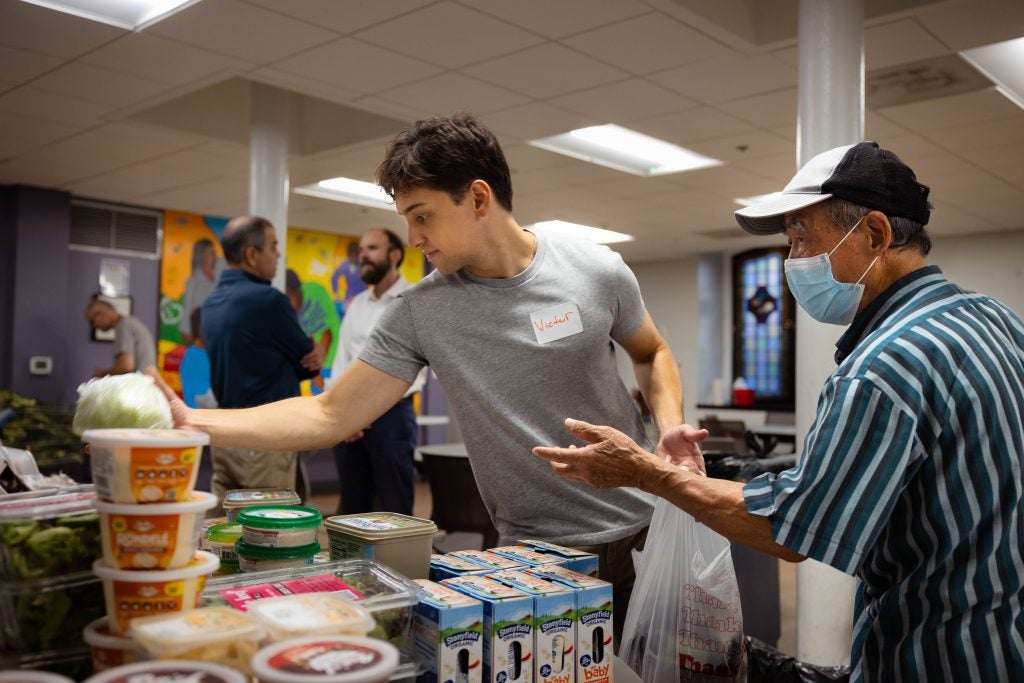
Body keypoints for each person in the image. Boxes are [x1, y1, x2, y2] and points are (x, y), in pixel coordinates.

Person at [150, 115, 704, 642]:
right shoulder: (420, 312)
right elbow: (329, 413)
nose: (412, 237)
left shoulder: (596, 268)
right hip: (534, 560)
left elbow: (652, 351)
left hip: (645, 530)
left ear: (479, 198)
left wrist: (670, 426)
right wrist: (192, 419)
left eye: (422, 215)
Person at [533, 141, 1024, 680]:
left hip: (939, 655)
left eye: (801, 239)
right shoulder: (994, 318)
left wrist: (645, 473)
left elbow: (788, 529)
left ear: (876, 235)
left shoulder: (884, 366)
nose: (793, 263)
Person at [200, 215, 324, 511]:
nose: (278, 254)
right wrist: (313, 353)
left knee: (225, 525)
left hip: (225, 433)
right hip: (265, 436)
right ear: (251, 255)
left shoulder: (210, 303)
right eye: (273, 247)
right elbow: (309, 363)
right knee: (268, 530)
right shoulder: (268, 301)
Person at [328, 227, 427, 516]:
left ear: (394, 255)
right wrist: (345, 413)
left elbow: (415, 367)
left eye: (371, 249)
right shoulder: (357, 305)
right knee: (353, 509)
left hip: (391, 417)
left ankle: (399, 563)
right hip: (350, 422)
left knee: (393, 508)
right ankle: (354, 562)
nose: (363, 256)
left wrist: (367, 409)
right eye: (360, 250)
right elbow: (341, 361)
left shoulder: (413, 300)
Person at [85, 295, 156, 377]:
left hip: (138, 386)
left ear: (100, 314)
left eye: (92, 321)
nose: (93, 326)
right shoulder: (129, 323)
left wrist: (102, 374)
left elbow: (126, 367)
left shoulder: (123, 325)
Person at [179, 238, 219, 345]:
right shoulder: (193, 281)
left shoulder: (219, 276)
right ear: (202, 255)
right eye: (211, 253)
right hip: (201, 336)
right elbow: (187, 312)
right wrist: (189, 338)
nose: (215, 257)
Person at [331, 241, 367, 317]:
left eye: (357, 256)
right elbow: (334, 277)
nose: (355, 259)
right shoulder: (346, 265)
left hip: (364, 296)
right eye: (352, 256)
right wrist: (336, 292)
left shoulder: (364, 264)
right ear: (349, 256)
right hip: (350, 297)